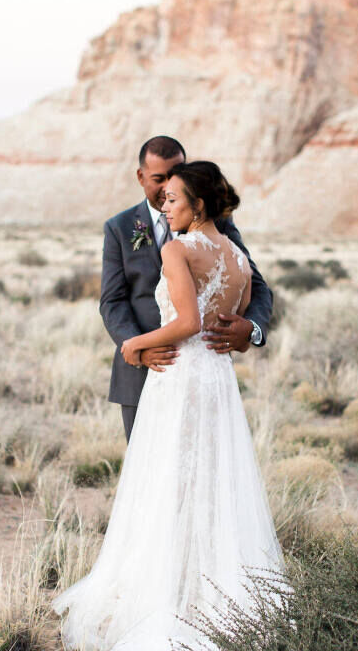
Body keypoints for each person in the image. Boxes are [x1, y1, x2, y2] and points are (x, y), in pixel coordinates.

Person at [53, 160, 284, 651]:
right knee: (194, 483)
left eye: (173, 194)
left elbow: (196, 319)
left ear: (195, 201)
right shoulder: (222, 252)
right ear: (142, 178)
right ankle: (205, 589)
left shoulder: (182, 246)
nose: (164, 203)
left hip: (177, 375)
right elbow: (122, 301)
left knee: (172, 482)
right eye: (159, 190)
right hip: (213, 381)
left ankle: (169, 601)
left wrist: (136, 345)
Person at [99, 135, 273, 440]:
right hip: (140, 371)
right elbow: (112, 301)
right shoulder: (120, 227)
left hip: (200, 374)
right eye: (159, 178)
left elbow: (255, 284)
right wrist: (138, 348)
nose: (168, 185)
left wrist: (252, 330)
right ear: (141, 177)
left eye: (176, 174)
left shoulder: (219, 224)